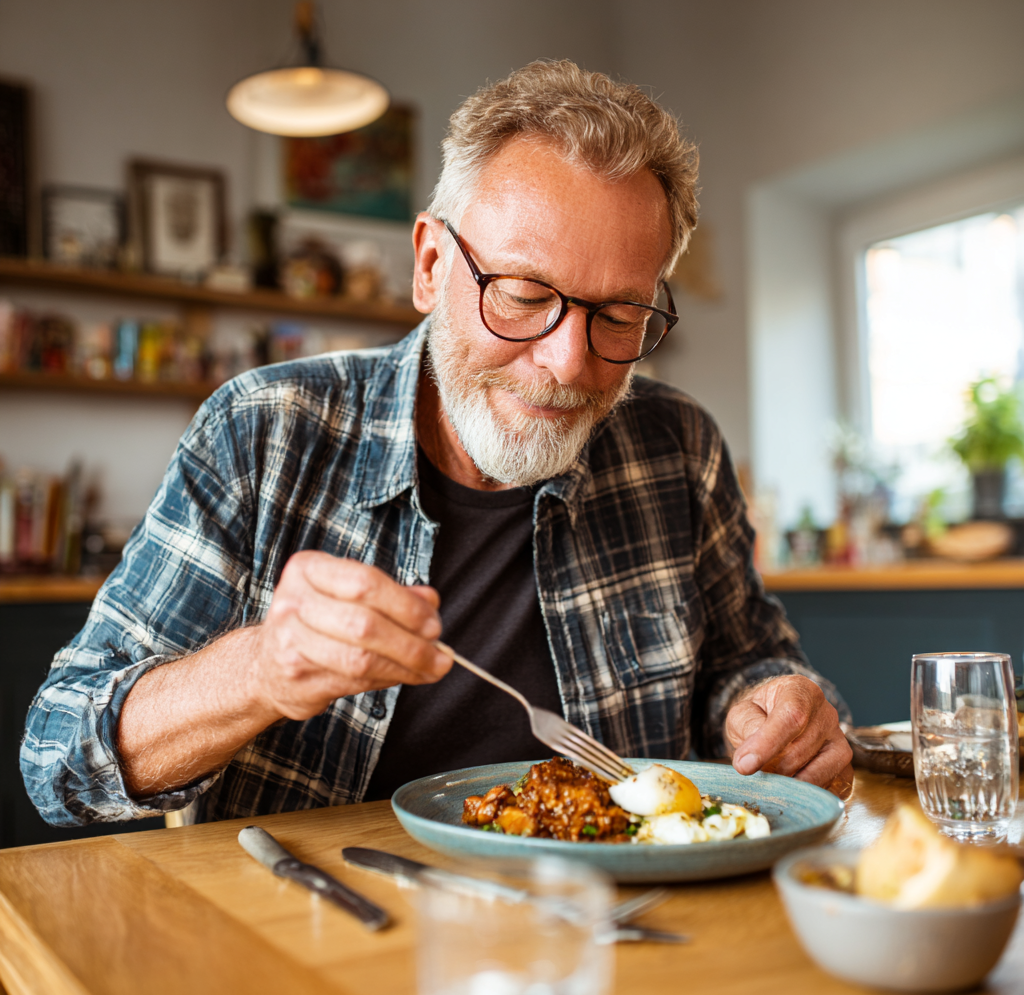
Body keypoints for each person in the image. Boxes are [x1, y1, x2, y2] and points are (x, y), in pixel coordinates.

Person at [22, 61, 852, 828]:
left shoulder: (679, 448)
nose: (568, 363)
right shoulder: (262, 433)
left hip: (622, 929)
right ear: (429, 265)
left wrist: (774, 709)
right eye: (524, 296)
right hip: (314, 929)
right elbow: (58, 758)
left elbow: (747, 665)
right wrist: (260, 670)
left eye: (620, 316)